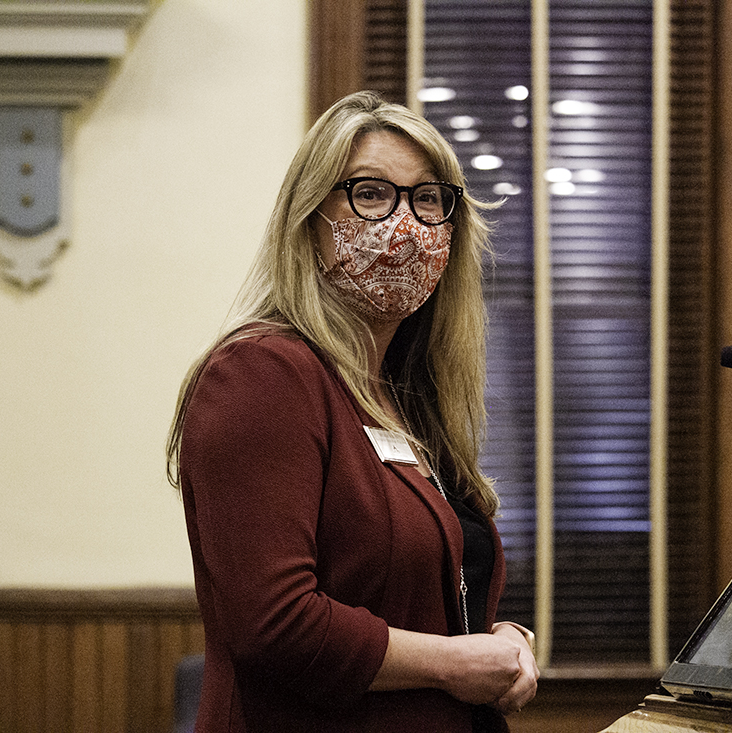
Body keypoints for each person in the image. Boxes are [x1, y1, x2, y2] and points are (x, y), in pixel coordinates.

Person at [166, 90, 538, 732]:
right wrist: (454, 663)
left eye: (428, 199)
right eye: (370, 193)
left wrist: (502, 639)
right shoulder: (261, 374)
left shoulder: (405, 393)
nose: (404, 224)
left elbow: (422, 588)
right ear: (308, 220)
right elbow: (275, 623)